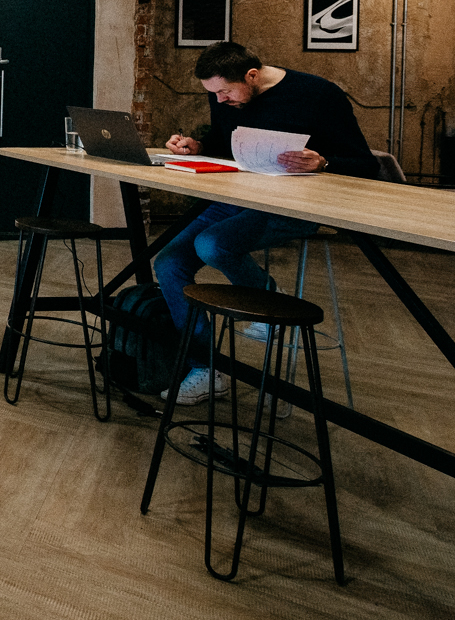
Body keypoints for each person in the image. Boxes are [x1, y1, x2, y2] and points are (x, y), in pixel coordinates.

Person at [154, 41, 378, 405]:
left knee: (212, 244)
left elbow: (365, 164)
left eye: (225, 92)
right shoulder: (227, 95)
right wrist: (197, 147)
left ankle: (268, 302)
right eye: (214, 94)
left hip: (297, 205)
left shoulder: (319, 94)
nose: (221, 100)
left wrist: (322, 163)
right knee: (168, 262)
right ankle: (207, 369)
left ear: (252, 75)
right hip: (238, 198)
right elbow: (227, 146)